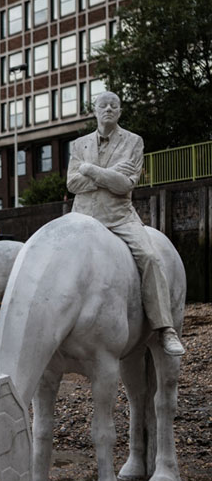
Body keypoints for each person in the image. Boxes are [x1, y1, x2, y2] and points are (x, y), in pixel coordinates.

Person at [67, 91, 185, 356]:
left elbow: (124, 185)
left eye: (114, 105)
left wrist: (90, 170)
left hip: (119, 218)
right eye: (103, 105)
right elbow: (72, 184)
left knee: (150, 257)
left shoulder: (133, 141)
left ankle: (165, 328)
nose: (108, 109)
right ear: (95, 111)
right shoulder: (79, 144)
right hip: (82, 218)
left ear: (120, 111)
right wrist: (109, 176)